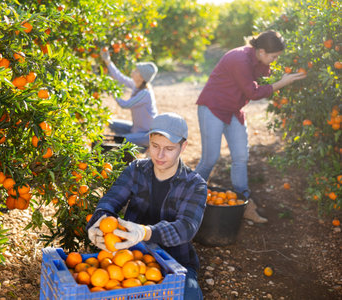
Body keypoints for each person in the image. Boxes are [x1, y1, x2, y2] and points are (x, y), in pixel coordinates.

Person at [87, 112, 207, 299]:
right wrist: (98, 220)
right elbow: (111, 200)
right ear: (149, 141)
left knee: (189, 296)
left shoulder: (195, 184)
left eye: (169, 148)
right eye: (155, 146)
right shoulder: (136, 170)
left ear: (183, 147)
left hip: (176, 260)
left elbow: (186, 228)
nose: (160, 155)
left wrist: (145, 232)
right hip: (132, 258)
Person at [194, 30, 307, 223]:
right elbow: (253, 92)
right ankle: (187, 199)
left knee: (240, 156)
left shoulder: (259, 59)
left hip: (233, 110)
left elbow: (265, 76)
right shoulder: (240, 59)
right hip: (213, 108)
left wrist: (288, 73)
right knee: (209, 159)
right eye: (273, 57)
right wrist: (282, 83)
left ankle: (244, 203)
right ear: (261, 51)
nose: (274, 60)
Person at [100, 48, 158, 147]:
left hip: (147, 135)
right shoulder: (137, 85)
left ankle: (143, 146)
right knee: (110, 123)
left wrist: (113, 91)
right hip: (135, 129)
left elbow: (125, 105)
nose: (133, 71)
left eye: (136, 71)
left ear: (141, 77)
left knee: (121, 139)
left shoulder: (145, 93)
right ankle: (135, 141)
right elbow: (120, 78)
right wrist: (108, 61)